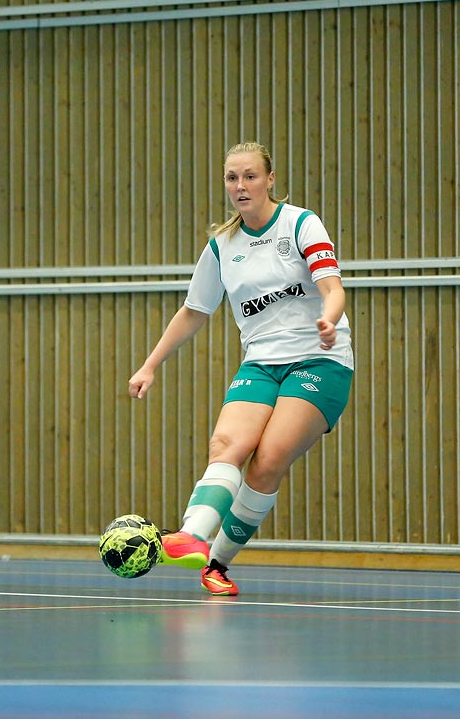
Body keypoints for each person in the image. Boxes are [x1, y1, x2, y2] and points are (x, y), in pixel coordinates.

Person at [127, 141, 353, 596]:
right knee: (226, 443)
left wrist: (328, 317)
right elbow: (193, 311)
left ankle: (217, 562)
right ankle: (191, 534)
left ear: (270, 180)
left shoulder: (300, 224)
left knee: (267, 460)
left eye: (250, 176)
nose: (240, 185)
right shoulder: (222, 245)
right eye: (232, 178)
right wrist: (150, 365)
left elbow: (333, 285)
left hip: (320, 360)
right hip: (261, 362)